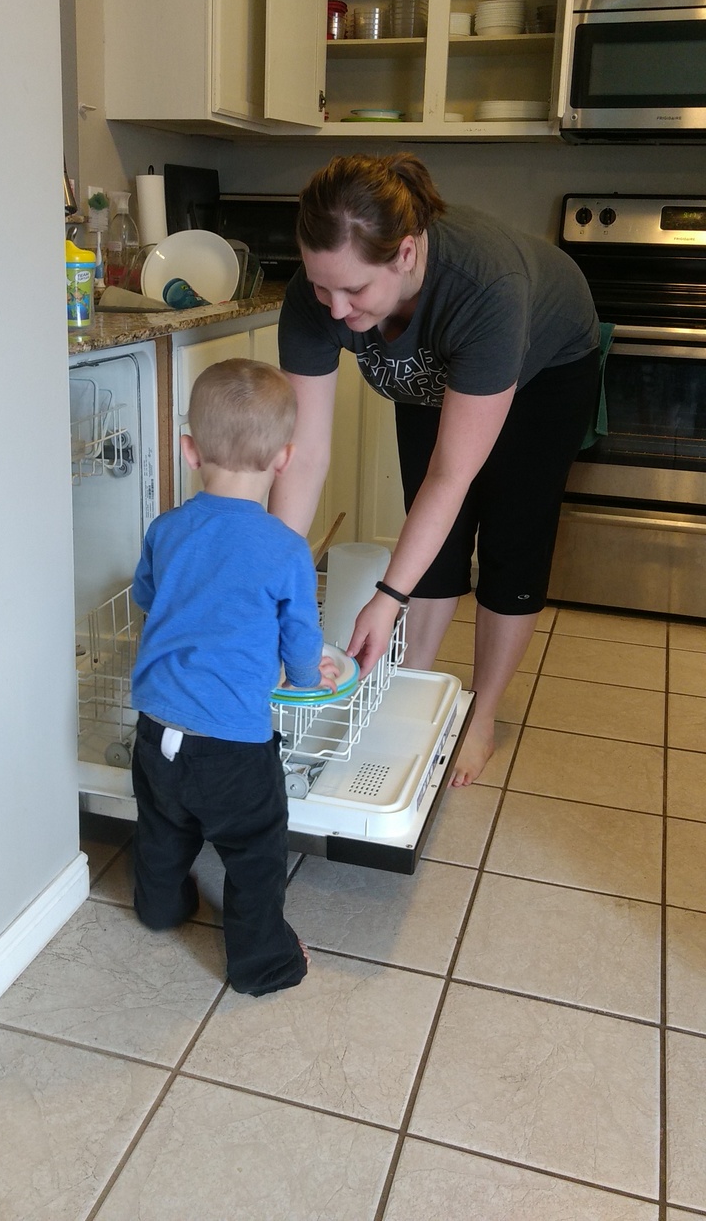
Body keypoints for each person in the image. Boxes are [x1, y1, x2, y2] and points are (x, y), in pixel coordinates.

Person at [269, 153, 600, 788]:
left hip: (546, 364)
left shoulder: (484, 288)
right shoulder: (315, 299)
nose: (335, 310)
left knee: (512, 540)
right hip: (428, 374)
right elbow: (304, 454)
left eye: (355, 290)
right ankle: (413, 684)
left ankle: (481, 717)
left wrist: (386, 600)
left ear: (407, 253)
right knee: (436, 543)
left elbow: (453, 475)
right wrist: (275, 581)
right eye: (320, 287)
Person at [130, 358, 338, 997]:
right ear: (283, 459)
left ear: (190, 451)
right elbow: (301, 642)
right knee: (255, 852)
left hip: (157, 729)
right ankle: (262, 963)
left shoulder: (166, 529)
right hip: (232, 748)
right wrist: (312, 675)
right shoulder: (284, 549)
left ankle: (160, 907)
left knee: (163, 827)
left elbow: (146, 596)